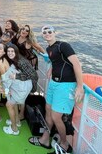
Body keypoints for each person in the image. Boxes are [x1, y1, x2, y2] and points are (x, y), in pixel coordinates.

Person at [29, 26, 83, 154]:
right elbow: (57, 61)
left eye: (49, 32)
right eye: (44, 33)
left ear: (54, 33)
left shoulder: (63, 46)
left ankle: (64, 144)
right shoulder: (49, 48)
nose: (47, 34)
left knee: (56, 116)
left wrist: (80, 86)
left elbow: (76, 64)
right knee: (48, 110)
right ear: (42, 35)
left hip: (66, 85)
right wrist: (52, 68)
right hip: (54, 83)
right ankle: (45, 139)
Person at [3, 44, 37, 136]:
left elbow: (34, 75)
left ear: (16, 52)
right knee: (12, 102)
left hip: (24, 86)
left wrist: (17, 76)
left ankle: (14, 129)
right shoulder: (14, 59)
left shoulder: (21, 61)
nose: (10, 53)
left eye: (12, 51)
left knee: (9, 104)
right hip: (19, 85)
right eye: (8, 51)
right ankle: (17, 121)